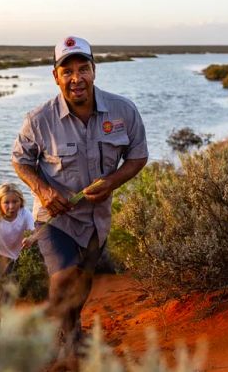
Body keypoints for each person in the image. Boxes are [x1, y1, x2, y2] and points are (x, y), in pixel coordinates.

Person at [11, 36, 148, 360]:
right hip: (54, 217)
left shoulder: (123, 110)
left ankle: (72, 330)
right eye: (67, 71)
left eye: (82, 68)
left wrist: (112, 182)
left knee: (83, 280)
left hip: (96, 218)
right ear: (55, 76)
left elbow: (138, 156)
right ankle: (57, 344)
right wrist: (43, 190)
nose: (76, 78)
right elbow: (21, 160)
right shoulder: (38, 119)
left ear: (94, 70)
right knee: (63, 277)